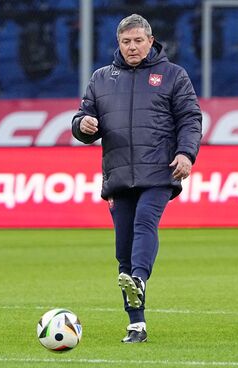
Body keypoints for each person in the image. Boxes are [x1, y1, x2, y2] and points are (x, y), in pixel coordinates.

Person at [71, 14, 202, 343]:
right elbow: (84, 117)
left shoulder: (173, 76)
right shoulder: (101, 78)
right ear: (118, 43)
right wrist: (82, 125)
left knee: (146, 222)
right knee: (123, 250)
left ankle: (139, 279)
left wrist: (186, 153)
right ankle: (137, 324)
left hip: (159, 169)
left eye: (138, 41)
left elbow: (190, 118)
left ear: (150, 40)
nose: (132, 47)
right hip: (118, 172)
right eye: (126, 42)